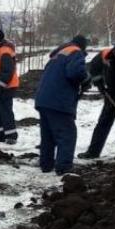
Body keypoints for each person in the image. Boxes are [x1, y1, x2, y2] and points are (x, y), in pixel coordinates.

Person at [34, 35, 89, 175]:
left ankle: (46, 165)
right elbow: (74, 72)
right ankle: (64, 168)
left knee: (48, 135)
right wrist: (86, 79)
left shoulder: (59, 53)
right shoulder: (76, 52)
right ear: (83, 46)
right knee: (67, 134)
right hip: (58, 100)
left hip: (43, 99)